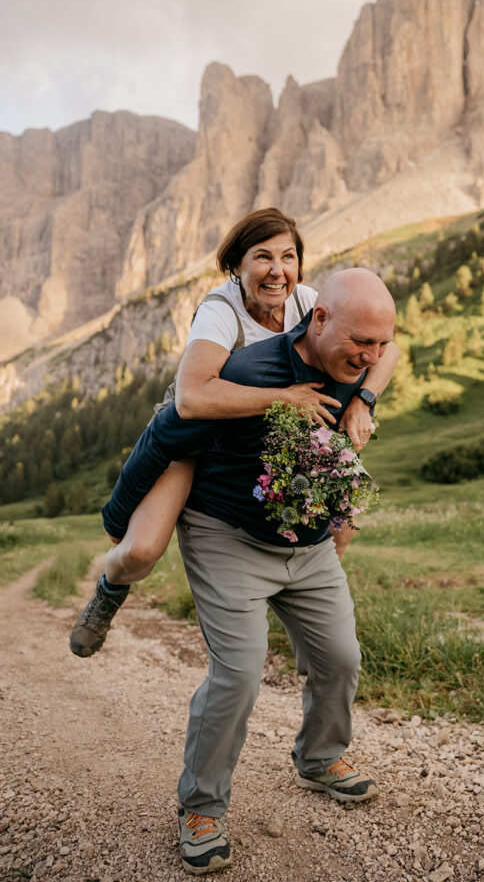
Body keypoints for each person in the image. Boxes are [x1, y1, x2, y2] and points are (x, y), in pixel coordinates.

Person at [102, 269, 396, 875]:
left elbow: (380, 357)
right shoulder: (245, 373)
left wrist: (364, 397)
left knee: (340, 657)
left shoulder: (359, 364)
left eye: (379, 346)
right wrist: (119, 514)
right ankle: (201, 807)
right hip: (226, 536)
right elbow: (167, 433)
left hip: (308, 546)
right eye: (360, 343)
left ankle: (319, 758)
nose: (369, 357)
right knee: (237, 675)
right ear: (317, 320)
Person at [70, 209, 398, 657]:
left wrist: (364, 400)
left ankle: (306, 605)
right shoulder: (219, 311)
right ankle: (109, 589)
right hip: (198, 434)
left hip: (262, 440)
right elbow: (190, 400)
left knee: (341, 527)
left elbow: (386, 346)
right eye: (262, 257)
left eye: (288, 256)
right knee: (141, 552)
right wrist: (287, 398)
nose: (277, 270)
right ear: (236, 265)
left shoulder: (311, 303)